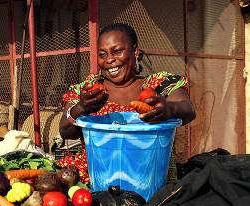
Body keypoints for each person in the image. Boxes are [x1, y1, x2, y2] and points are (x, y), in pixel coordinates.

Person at [58, 23, 196, 183]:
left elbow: (188, 109)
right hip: (98, 180)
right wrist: (81, 108)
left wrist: (168, 109)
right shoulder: (88, 91)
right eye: (102, 54)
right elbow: (65, 130)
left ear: (135, 51)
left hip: (152, 178)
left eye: (117, 51)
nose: (109, 59)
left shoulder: (158, 84)